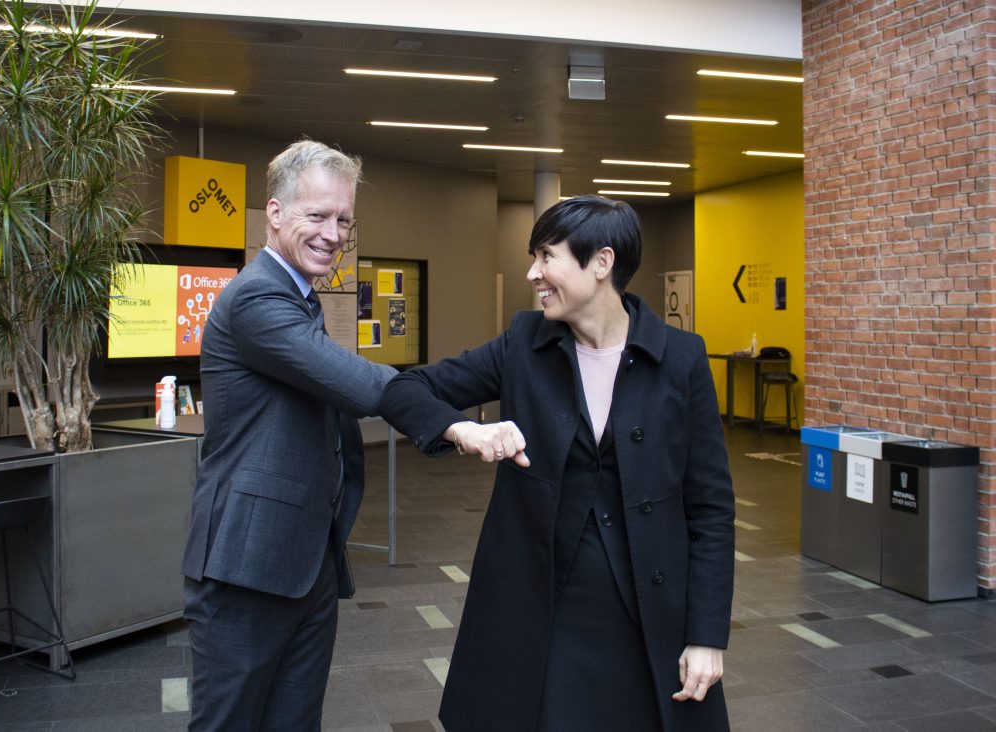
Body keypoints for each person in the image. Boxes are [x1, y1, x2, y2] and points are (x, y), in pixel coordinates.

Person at [380, 195, 735, 731]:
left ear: (601, 263)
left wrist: (707, 635)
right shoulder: (523, 344)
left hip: (646, 609)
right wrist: (464, 430)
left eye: (547, 256)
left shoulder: (681, 359)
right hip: (540, 610)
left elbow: (710, 509)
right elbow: (407, 389)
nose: (533, 272)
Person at [182, 140, 396, 731]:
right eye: (318, 215)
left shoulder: (300, 296)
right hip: (246, 562)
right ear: (275, 214)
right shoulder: (257, 295)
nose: (333, 233)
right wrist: (452, 420)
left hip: (305, 559)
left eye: (344, 219)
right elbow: (353, 381)